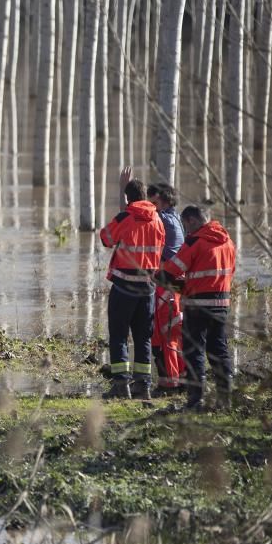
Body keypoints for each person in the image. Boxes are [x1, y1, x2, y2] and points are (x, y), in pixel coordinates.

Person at [156, 206, 236, 410]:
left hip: (198, 305)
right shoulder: (227, 241)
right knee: (219, 351)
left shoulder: (194, 241)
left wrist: (157, 276)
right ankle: (225, 399)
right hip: (222, 303)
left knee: (194, 352)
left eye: (185, 225)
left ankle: (195, 399)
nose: (186, 231)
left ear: (191, 221)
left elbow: (173, 269)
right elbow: (230, 272)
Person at [99, 168, 165, 399]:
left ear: (128, 199)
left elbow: (106, 238)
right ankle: (143, 386)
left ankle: (120, 384)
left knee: (118, 335)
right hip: (148, 288)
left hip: (124, 287)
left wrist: (121, 200)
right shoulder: (157, 219)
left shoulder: (126, 217)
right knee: (143, 338)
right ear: (146, 197)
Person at [146, 182, 185, 393]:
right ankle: (180, 378)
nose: (151, 207)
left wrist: (125, 196)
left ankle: (170, 383)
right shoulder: (176, 217)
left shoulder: (164, 219)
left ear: (165, 201)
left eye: (154, 203)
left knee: (165, 335)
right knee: (172, 333)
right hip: (175, 283)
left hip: (166, 284)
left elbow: (138, 216)